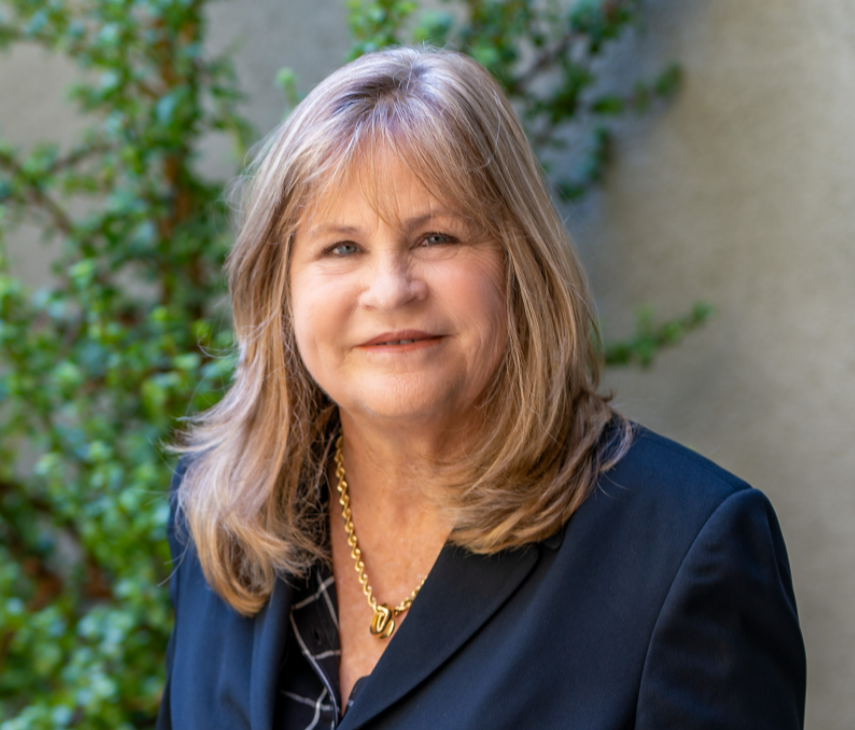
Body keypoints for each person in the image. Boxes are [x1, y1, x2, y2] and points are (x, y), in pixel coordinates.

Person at [156, 46, 805, 730]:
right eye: (341, 248)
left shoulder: (685, 548)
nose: (390, 290)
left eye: (436, 237)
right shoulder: (223, 506)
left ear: (517, 264)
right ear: (278, 289)